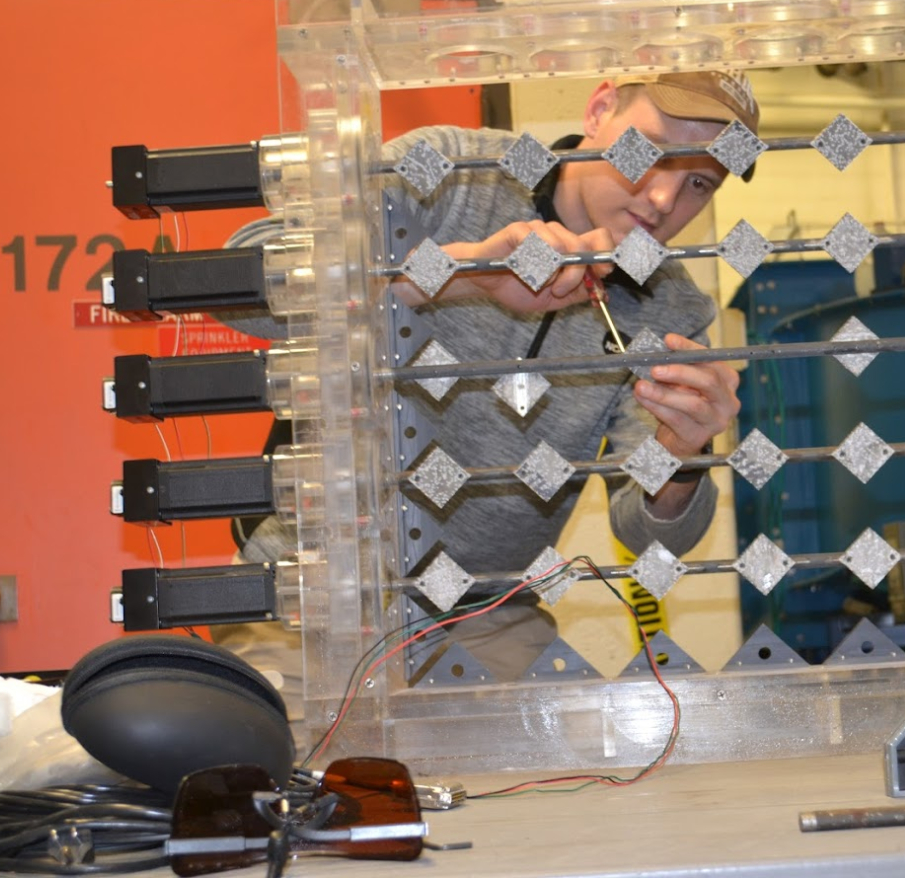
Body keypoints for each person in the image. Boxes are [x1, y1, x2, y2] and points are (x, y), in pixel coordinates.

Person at [218, 71, 758, 690]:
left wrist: (682, 456)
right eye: (651, 152)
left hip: (487, 616)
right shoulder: (455, 171)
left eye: (698, 183)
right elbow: (245, 280)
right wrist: (461, 273)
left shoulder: (672, 307)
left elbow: (648, 531)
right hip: (310, 596)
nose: (664, 200)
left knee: (567, 774)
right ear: (600, 108)